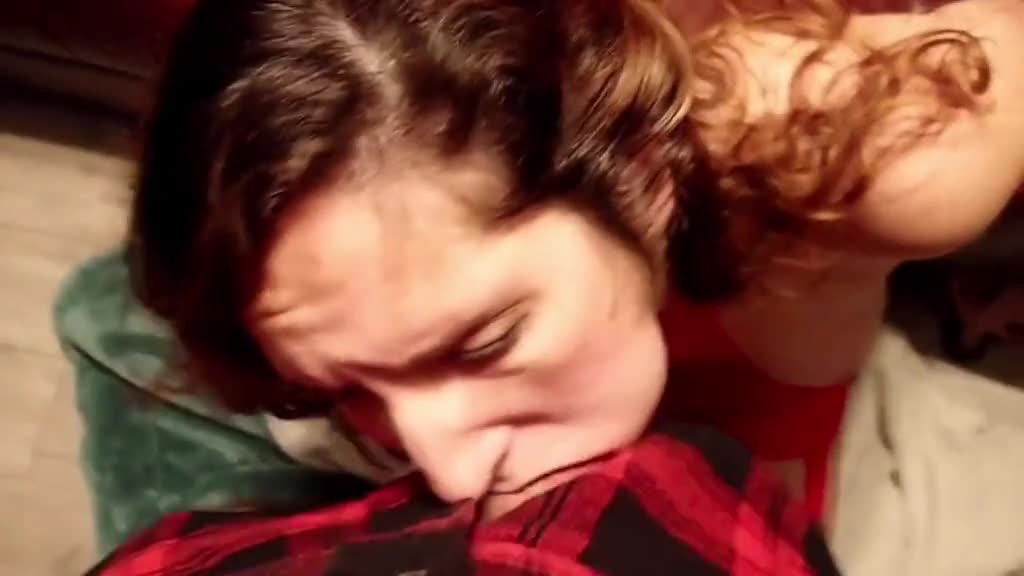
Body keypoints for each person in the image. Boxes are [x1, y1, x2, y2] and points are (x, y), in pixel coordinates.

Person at [129, 0, 1022, 528]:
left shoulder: (850, 143)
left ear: (641, 174)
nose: (453, 478)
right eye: (349, 387)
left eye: (484, 344)